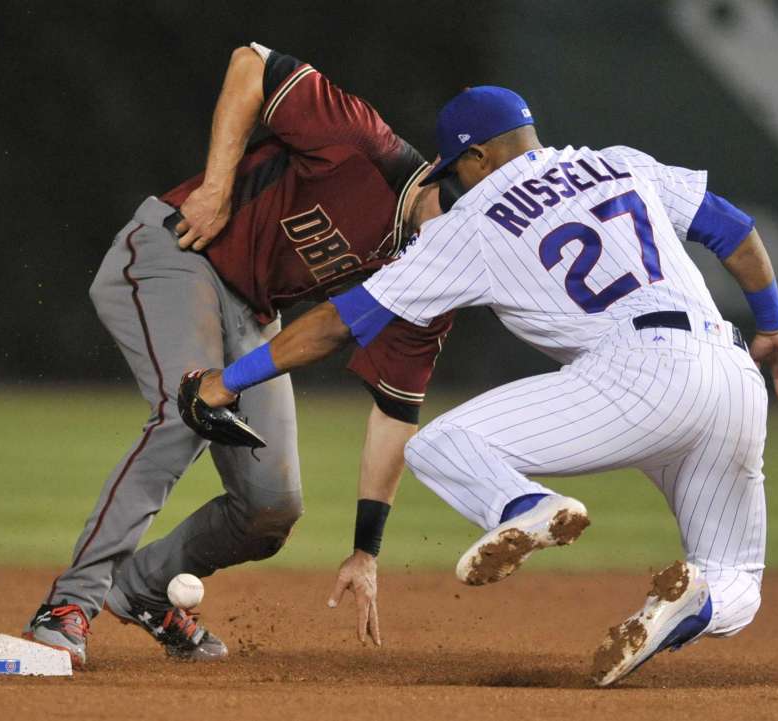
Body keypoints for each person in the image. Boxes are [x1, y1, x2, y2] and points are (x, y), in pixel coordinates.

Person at [193, 86, 778, 686]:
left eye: (455, 170)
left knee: (441, 444)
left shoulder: (474, 220)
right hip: (732, 372)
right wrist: (773, 324)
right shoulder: (618, 164)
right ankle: (695, 605)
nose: (454, 184)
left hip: (640, 372)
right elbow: (732, 228)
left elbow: (339, 323)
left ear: (478, 154)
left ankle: (523, 508)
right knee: (738, 578)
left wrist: (228, 381)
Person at [23, 42, 456, 668]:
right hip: (178, 253)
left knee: (270, 509)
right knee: (185, 412)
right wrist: (219, 185)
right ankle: (67, 606)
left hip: (253, 313)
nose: (465, 216)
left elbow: (396, 412)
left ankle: (144, 589)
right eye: (463, 194)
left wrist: (368, 549)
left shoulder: (434, 270)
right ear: (445, 165)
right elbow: (250, 62)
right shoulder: (365, 143)